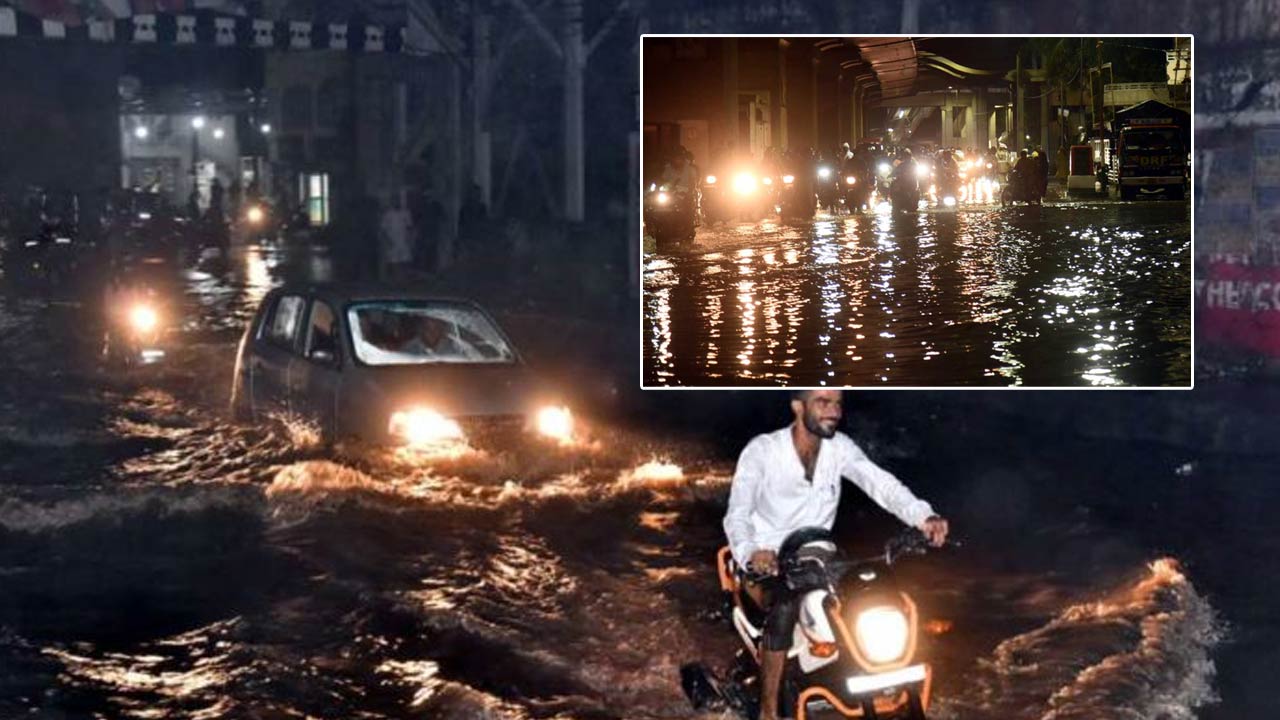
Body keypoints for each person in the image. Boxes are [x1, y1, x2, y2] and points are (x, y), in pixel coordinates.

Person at [724, 390, 950, 720]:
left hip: (819, 556)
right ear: (798, 406)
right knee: (785, 606)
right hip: (765, 562)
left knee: (874, 593)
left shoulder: (839, 448)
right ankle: (768, 710)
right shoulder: (763, 450)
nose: (834, 411)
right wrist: (751, 553)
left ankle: (865, 682)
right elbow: (737, 514)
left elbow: (880, 483)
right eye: (823, 402)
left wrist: (923, 517)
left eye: (838, 403)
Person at [379, 194, 415, 281]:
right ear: (391, 202)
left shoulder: (406, 212)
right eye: (394, 200)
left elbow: (410, 227)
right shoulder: (388, 214)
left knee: (405, 261)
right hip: (392, 242)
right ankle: (396, 280)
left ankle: (404, 279)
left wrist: (410, 240)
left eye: (397, 200)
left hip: (404, 241)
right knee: (394, 261)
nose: (396, 202)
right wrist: (387, 241)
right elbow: (383, 230)